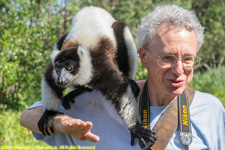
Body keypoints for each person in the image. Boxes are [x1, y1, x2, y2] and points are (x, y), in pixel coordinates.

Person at [20, 5, 225, 150]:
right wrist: (58, 120)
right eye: (167, 58)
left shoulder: (210, 109)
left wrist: (127, 80)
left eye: (188, 59)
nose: (179, 69)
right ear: (143, 56)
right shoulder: (94, 103)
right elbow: (27, 116)